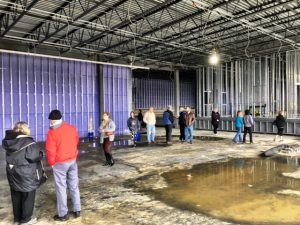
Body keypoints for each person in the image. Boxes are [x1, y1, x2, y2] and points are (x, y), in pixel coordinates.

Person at [2, 122, 42, 225]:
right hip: (26, 174)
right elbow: (34, 157)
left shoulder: (10, 142)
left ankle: (17, 219)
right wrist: (41, 154)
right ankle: (26, 220)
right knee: (27, 196)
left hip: (13, 173)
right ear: (24, 130)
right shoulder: (28, 142)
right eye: (28, 127)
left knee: (16, 196)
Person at [45, 110, 81, 221]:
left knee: (61, 188)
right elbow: (77, 140)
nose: (50, 123)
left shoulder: (52, 132)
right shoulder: (71, 128)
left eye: (51, 121)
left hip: (60, 163)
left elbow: (50, 150)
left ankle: (63, 214)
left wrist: (51, 163)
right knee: (74, 185)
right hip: (72, 160)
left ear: (53, 120)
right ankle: (77, 209)